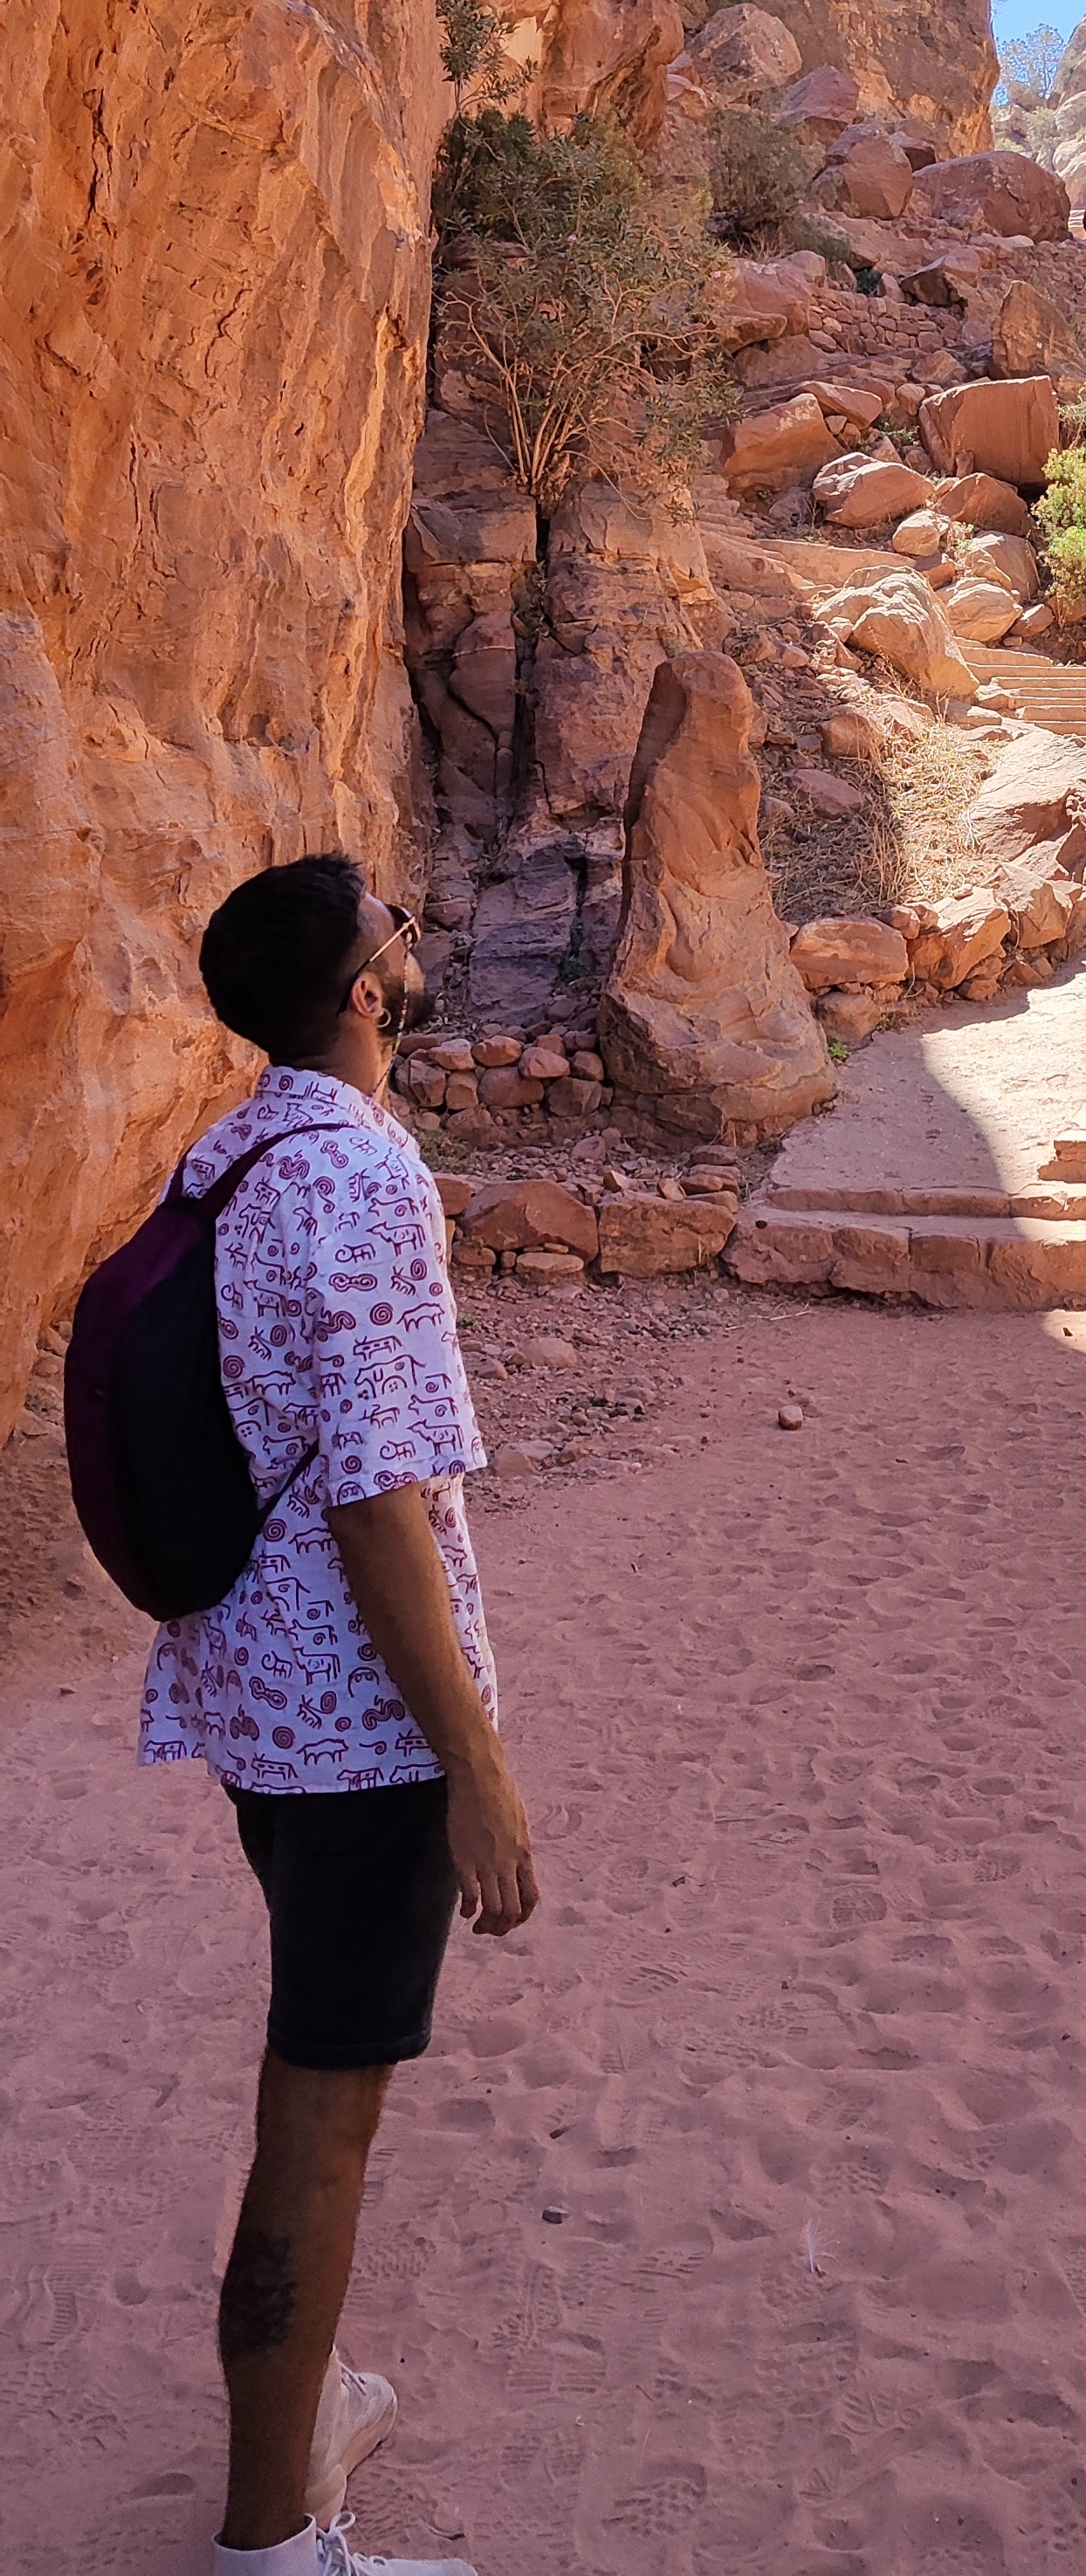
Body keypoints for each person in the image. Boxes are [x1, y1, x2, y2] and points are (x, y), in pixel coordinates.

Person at [141, 854, 539, 2576]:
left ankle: (304, 2412)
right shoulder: (362, 1170)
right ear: (367, 993)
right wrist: (479, 1768)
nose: (412, 940)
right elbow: (381, 1498)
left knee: (316, 2080)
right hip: (363, 1729)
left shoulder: (236, 1152)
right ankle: (268, 2545)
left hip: (258, 1697)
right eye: (396, 929)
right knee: (321, 2117)